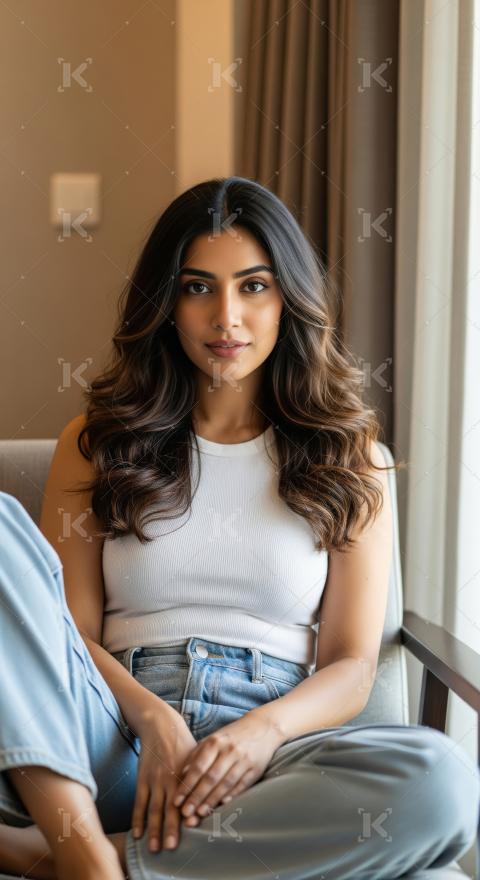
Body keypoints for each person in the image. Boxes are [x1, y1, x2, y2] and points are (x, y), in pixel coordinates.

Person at [1, 176, 479, 880]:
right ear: (166, 304)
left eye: (253, 287)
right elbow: (63, 637)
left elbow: (350, 666)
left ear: (289, 298)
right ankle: (89, 849)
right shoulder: (97, 440)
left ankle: (86, 864)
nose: (226, 317)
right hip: (106, 738)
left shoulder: (352, 457)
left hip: (269, 765)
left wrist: (263, 731)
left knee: (442, 780)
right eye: (198, 288)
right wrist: (152, 719)